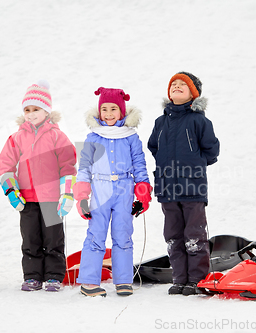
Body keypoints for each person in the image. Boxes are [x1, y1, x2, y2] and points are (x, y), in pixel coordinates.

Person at [0, 80, 77, 292]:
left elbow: (68, 166)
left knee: (53, 239)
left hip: (51, 199)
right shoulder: (16, 138)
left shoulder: (57, 136)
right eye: (27, 109)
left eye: (36, 109)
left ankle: (53, 276)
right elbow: (6, 166)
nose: (31, 114)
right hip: (27, 199)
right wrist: (11, 191)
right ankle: (32, 276)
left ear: (47, 111)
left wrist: (67, 194)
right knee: (30, 239)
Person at [74, 87, 152, 297]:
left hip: (124, 190)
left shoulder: (130, 137)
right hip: (100, 189)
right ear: (99, 112)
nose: (108, 114)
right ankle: (89, 282)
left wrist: (142, 191)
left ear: (122, 112)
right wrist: (82, 196)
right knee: (96, 234)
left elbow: (139, 165)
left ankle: (123, 280)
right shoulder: (93, 137)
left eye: (113, 109)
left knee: (123, 234)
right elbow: (84, 168)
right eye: (104, 109)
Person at [148, 72, 220, 296]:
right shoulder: (160, 122)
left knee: (194, 234)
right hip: (167, 188)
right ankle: (179, 278)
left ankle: (197, 280)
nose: (176, 87)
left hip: (193, 188)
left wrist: (193, 166)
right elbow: (154, 148)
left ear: (193, 93)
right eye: (173, 84)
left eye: (183, 85)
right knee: (173, 234)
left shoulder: (199, 120)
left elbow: (211, 150)